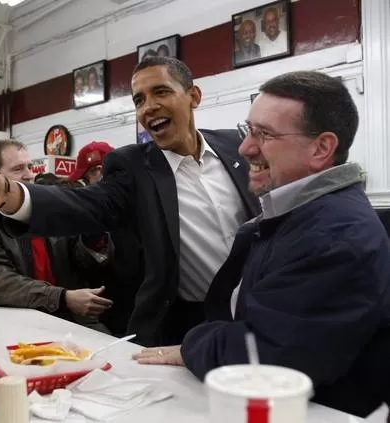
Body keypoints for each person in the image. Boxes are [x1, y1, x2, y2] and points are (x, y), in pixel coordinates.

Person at [0, 56, 260, 347]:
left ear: (194, 96)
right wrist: (10, 193)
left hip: (265, 310)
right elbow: (82, 204)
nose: (148, 106)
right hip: (190, 326)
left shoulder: (237, 146)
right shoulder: (133, 168)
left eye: (160, 92)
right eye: (139, 99)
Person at [133, 71, 390, 418]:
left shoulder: (334, 237)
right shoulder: (298, 215)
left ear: (321, 148)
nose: (245, 148)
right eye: (248, 130)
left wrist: (192, 345)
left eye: (264, 135)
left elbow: (265, 356)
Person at [0, 140, 111, 333]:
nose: (30, 175)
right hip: (17, 323)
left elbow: (83, 263)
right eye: (18, 169)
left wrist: (93, 238)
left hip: (73, 321)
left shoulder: (49, 207)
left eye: (30, 166)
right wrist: (60, 297)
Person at [67, 141, 145, 336]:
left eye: (86, 179)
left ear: (99, 171)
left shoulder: (134, 203)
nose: (84, 186)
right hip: (116, 304)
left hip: (133, 303)